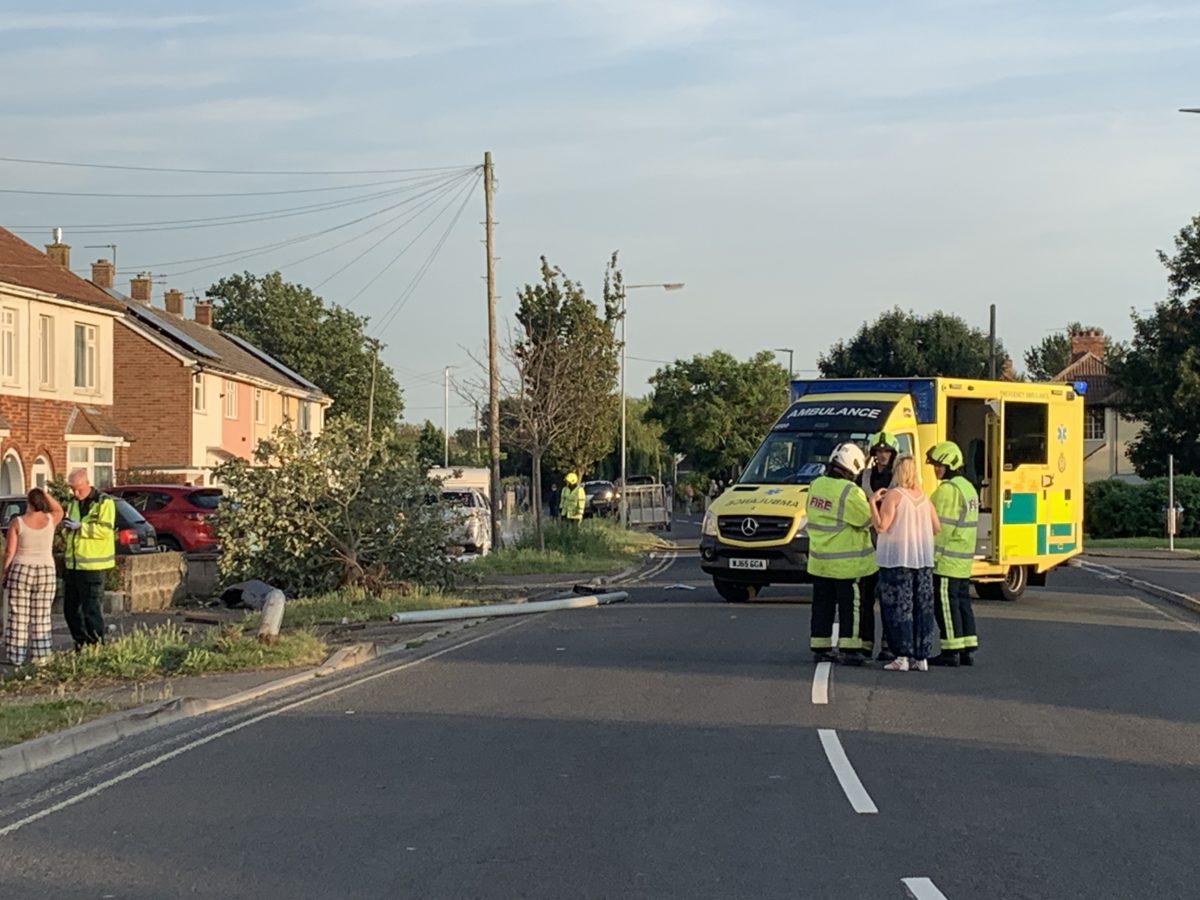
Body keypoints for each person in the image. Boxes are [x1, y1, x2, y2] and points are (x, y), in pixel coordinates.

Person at [805, 443, 877, 664]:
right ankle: (851, 648)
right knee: (851, 607)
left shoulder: (816, 485)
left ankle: (821, 646)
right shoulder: (849, 491)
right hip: (848, 564)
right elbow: (866, 519)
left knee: (822, 605)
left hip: (820, 561)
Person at [870, 454, 940, 672]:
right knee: (922, 607)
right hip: (922, 560)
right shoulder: (924, 497)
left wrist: (873, 502)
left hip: (898, 559)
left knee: (899, 608)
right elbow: (936, 527)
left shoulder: (894, 495)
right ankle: (922, 656)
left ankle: (902, 655)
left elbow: (882, 526)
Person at [926, 441, 981, 667]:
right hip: (963, 558)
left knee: (946, 605)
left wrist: (933, 558)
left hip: (947, 559)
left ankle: (951, 650)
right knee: (962, 603)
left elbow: (941, 530)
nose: (936, 470)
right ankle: (968, 647)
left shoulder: (947, 490)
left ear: (949, 464)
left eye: (939, 465)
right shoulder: (967, 488)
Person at [2, 488, 65, 666]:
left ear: (28, 503)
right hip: (46, 568)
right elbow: (60, 509)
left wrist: (5, 572)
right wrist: (46, 494)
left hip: (22, 566)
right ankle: (41, 655)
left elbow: (9, 551)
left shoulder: (18, 522)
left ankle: (16, 655)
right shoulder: (50, 519)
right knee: (42, 614)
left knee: (18, 614)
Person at [62, 468, 117, 649]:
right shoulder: (73, 503)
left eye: (78, 488)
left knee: (91, 610)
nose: (75, 493)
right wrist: (66, 528)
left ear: (87, 483)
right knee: (70, 610)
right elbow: (69, 531)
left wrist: (80, 527)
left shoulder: (103, 502)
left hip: (94, 565)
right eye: (72, 489)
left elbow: (105, 530)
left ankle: (96, 646)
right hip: (73, 565)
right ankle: (81, 643)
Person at [860, 432, 900, 660]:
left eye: (886, 452)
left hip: (891, 544)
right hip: (867, 545)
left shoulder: (899, 479)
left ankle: (888, 645)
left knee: (888, 599)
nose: (882, 456)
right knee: (866, 598)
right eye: (879, 451)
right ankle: (865, 644)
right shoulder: (864, 477)